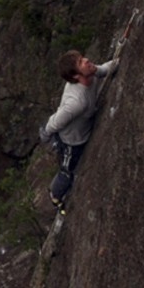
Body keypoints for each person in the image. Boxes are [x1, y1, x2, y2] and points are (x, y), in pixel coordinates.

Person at [38, 50, 118, 214]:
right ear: (76, 76)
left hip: (82, 128)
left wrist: (119, 60)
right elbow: (54, 122)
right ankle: (55, 195)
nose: (87, 60)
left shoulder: (90, 73)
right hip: (71, 141)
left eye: (83, 58)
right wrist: (45, 135)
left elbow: (104, 69)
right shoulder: (76, 102)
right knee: (67, 171)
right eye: (81, 62)